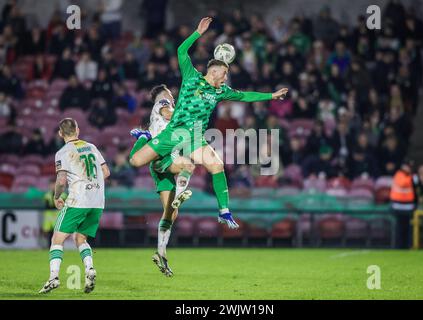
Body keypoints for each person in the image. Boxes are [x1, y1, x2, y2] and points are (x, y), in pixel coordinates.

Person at [129, 17, 288, 230]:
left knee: (217, 165)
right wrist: (197, 32)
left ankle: (224, 211)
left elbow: (246, 96)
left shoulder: (221, 91)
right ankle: (146, 141)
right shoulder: (191, 77)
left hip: (195, 136)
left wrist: (271, 95)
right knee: (136, 162)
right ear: (213, 71)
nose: (226, 77)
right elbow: (180, 52)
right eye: (224, 73)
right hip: (174, 133)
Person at [129, 84, 195, 277]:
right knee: (188, 165)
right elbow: (170, 114)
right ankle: (180, 195)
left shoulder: (155, 115)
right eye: (169, 94)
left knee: (171, 214)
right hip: (164, 156)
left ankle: (161, 252)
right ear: (163, 95)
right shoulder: (163, 103)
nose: (172, 97)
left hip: (159, 164)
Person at [39, 118, 110, 294]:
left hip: (78, 200)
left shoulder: (63, 152)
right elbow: (106, 172)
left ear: (60, 133)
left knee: (57, 239)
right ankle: (89, 269)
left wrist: (57, 196)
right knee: (80, 239)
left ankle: (53, 277)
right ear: (77, 130)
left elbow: (61, 180)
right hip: (97, 202)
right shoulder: (92, 147)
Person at [390, 160, 415, 249]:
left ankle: (407, 246)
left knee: (407, 227)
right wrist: (411, 178)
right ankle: (399, 246)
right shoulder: (399, 175)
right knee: (399, 227)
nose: (409, 168)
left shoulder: (409, 176)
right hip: (398, 206)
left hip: (408, 206)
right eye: (408, 166)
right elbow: (403, 184)